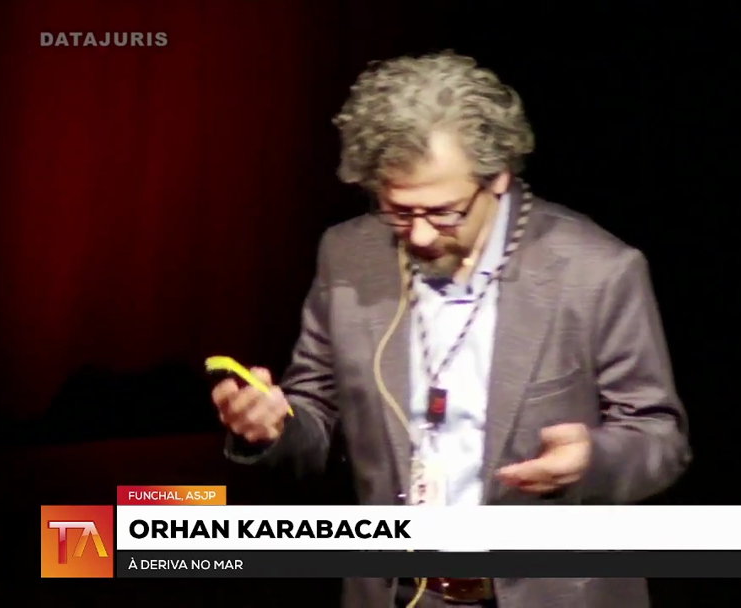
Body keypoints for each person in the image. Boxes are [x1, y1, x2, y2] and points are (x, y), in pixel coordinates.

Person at [211, 51, 691, 608]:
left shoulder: (595, 271)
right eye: (398, 211)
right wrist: (273, 427)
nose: (418, 235)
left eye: (443, 212)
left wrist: (593, 459)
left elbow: (660, 439)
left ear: (498, 178)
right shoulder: (347, 256)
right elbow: (316, 417)